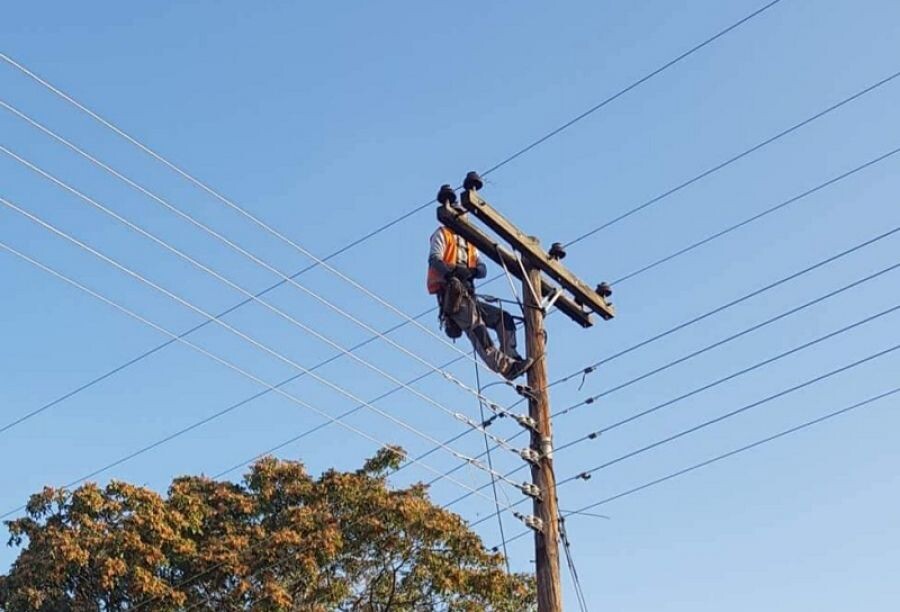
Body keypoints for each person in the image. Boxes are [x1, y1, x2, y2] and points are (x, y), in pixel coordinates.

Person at [427, 178, 534, 381]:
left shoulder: (469, 242)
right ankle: (506, 367)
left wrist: (472, 273)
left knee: (504, 318)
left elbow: (482, 267)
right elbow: (434, 259)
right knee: (478, 330)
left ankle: (512, 357)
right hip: (453, 295)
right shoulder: (442, 234)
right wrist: (453, 273)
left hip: (469, 295)